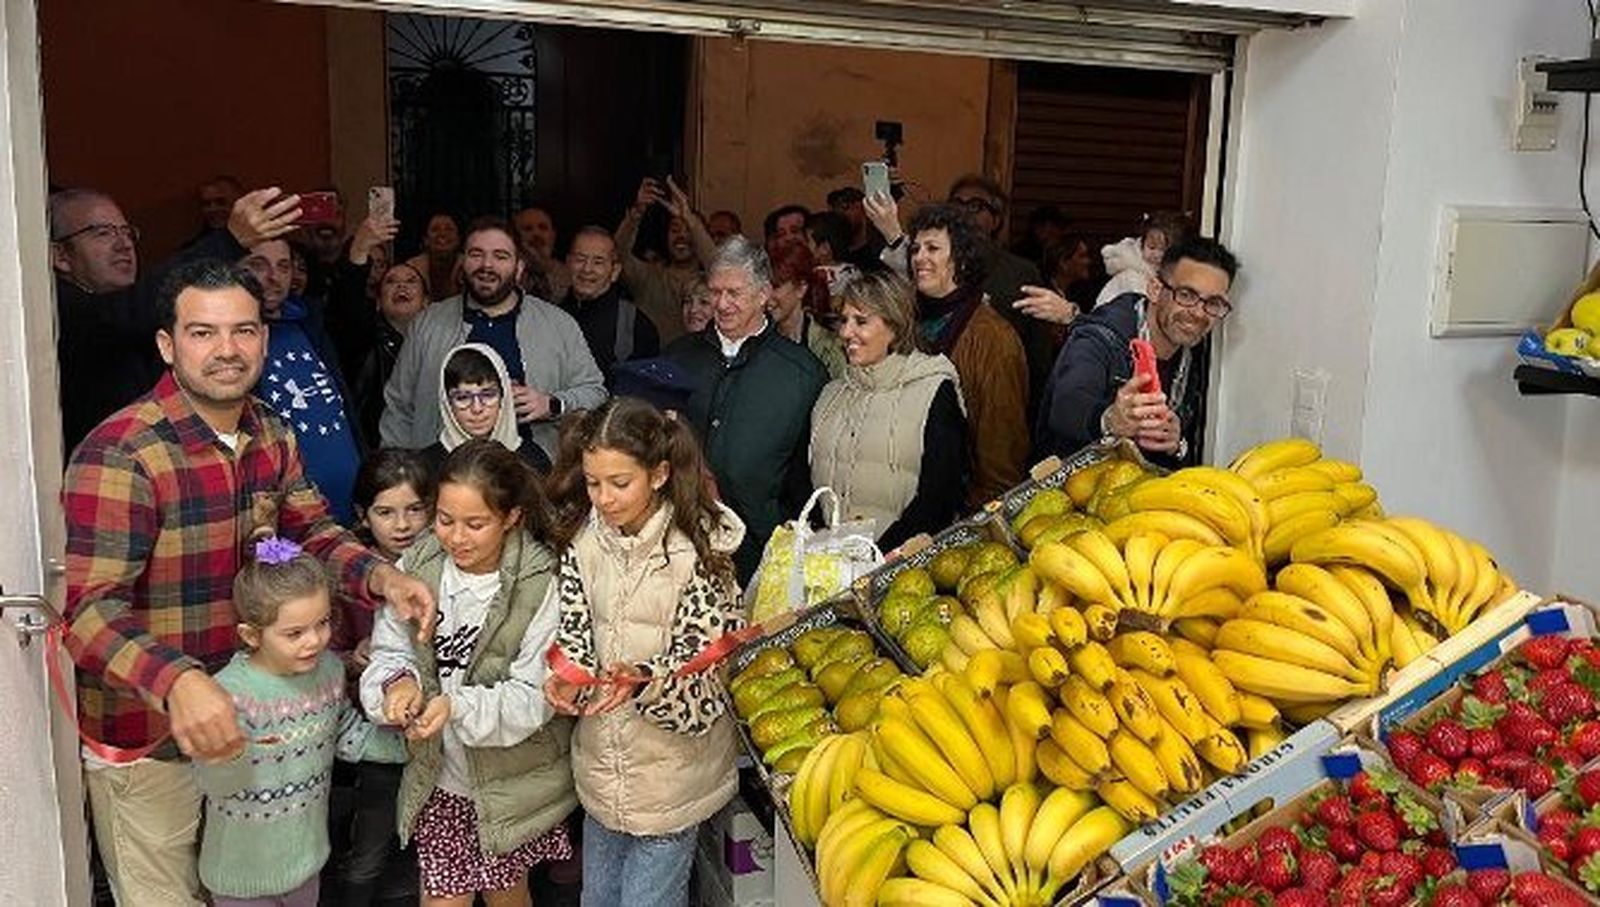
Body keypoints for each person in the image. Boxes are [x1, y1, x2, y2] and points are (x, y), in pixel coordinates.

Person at [62, 259, 435, 907]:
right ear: (167, 344)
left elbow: (310, 531)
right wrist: (179, 681)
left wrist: (380, 576)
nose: (227, 349)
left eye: (243, 330)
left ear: (264, 339)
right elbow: (88, 612)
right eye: (203, 332)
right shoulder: (123, 451)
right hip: (153, 740)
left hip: (258, 727)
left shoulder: (270, 431)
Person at [542, 397, 746, 907]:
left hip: (671, 779)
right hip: (601, 770)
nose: (604, 499)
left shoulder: (698, 555)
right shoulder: (583, 542)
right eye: (593, 483)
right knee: (597, 898)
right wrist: (568, 677)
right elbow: (574, 631)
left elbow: (708, 679)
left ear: (658, 475)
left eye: (619, 483)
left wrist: (644, 680)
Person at [362, 439, 576, 907]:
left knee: (507, 896)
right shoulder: (417, 566)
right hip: (439, 779)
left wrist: (455, 706)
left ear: (512, 517)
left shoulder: (539, 583)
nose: (457, 537)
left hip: (512, 784)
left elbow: (534, 696)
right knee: (443, 900)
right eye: (444, 520)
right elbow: (391, 649)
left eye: (475, 524)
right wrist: (397, 684)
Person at [50, 185, 299, 453]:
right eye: (102, 233)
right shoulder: (53, 310)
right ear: (61, 256)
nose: (124, 245)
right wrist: (229, 241)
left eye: (126, 232)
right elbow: (124, 313)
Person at [194, 539, 356, 907]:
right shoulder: (227, 694)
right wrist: (230, 753)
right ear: (251, 635)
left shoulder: (329, 670)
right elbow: (213, 784)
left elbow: (347, 732)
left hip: (306, 864)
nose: (314, 641)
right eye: (294, 633)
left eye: (323, 623)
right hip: (240, 878)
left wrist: (411, 742)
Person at [380, 216, 607, 466]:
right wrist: (398, 474)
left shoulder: (558, 324)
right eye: (476, 254)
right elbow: (399, 407)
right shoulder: (428, 324)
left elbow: (595, 393)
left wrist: (552, 404)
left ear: (519, 268)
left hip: (534, 474)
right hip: (442, 475)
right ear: (463, 262)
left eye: (500, 256)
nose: (486, 265)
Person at [663, 237, 827, 582]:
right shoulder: (677, 358)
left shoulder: (802, 372)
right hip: (680, 542)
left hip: (763, 551)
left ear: (764, 294)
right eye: (715, 292)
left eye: (734, 293)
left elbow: (809, 472)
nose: (721, 304)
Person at [1037, 236, 1238, 468]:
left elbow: (1180, 450)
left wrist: (1177, 445)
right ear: (1155, 289)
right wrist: (1110, 420)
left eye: (1213, 303)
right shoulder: (1100, 337)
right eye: (1186, 295)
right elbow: (1065, 407)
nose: (1199, 313)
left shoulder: (1197, 356)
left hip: (1139, 484)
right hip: (1074, 484)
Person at [336, 451, 434, 906]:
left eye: (415, 509)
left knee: (432, 839)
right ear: (362, 514)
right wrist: (350, 659)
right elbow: (316, 651)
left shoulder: (443, 563)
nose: (402, 525)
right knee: (372, 838)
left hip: (434, 729)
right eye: (385, 512)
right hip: (375, 736)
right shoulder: (347, 575)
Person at [809, 272, 966, 552]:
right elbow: (803, 483)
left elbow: (940, 496)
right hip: (830, 565)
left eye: (861, 321)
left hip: (904, 564)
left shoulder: (933, 390)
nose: (845, 332)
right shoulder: (830, 395)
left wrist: (879, 559)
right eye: (844, 320)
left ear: (894, 326)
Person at [904, 202, 1029, 508]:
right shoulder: (906, 319)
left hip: (960, 505)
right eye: (915, 248)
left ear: (960, 259)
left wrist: (984, 513)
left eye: (933, 248)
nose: (919, 257)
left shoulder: (993, 338)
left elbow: (1001, 447)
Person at [241, 237, 364, 523]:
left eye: (283, 266)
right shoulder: (232, 342)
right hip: (288, 524)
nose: (274, 277)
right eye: (259, 265)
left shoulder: (308, 321)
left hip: (353, 512)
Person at [422, 344, 553, 474]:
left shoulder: (533, 462)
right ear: (447, 403)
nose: (477, 408)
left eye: (488, 395)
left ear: (504, 397)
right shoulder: (426, 467)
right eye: (462, 398)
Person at [615, 177, 715, 344]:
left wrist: (691, 220)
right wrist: (636, 214)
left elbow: (721, 268)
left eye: (688, 231)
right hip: (652, 359)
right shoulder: (649, 277)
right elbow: (617, 256)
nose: (681, 236)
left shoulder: (712, 283)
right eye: (675, 230)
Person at [559, 225, 660, 383]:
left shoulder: (635, 326)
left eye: (598, 262)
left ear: (615, 271)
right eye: (580, 259)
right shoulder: (549, 316)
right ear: (568, 263)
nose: (587, 269)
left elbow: (643, 393)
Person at [349, 259, 426, 449]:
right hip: (377, 451)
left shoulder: (437, 344)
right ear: (378, 302)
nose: (401, 286)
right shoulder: (362, 340)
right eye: (391, 281)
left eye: (411, 281)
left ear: (427, 301)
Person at [767, 240, 846, 380]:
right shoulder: (759, 339)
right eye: (763, 287)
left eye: (776, 287)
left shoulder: (828, 347)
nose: (767, 296)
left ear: (801, 289)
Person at [1096, 210, 1191, 308]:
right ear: (1142, 244)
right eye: (1151, 247)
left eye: (1164, 250)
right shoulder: (1131, 278)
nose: (1157, 254)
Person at [514, 205, 571, 302]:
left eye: (543, 227)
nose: (536, 234)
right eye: (528, 229)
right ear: (516, 237)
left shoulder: (566, 274)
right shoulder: (510, 273)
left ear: (553, 235)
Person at [407, 212, 465, 303]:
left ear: (458, 239)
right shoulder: (413, 268)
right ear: (426, 240)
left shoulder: (468, 265)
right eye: (435, 229)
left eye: (449, 229)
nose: (442, 234)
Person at [826, 186, 885, 273]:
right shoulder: (837, 251)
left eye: (845, 208)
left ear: (861, 207)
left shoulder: (880, 249)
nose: (841, 215)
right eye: (835, 212)